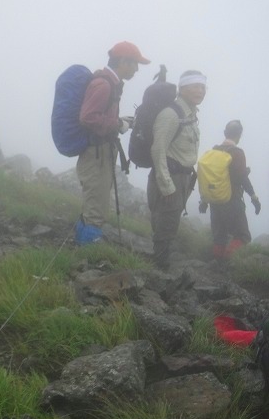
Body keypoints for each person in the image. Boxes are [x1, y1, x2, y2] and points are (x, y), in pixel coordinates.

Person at [75, 41, 150, 244]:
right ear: (123, 61)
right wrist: (117, 124)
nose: (136, 69)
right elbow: (88, 117)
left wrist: (119, 121)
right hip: (96, 152)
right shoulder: (104, 84)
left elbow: (97, 115)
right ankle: (88, 251)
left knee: (96, 199)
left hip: (100, 150)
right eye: (135, 64)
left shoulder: (110, 83)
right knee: (96, 203)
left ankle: (82, 243)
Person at [148, 70, 207, 268]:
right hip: (169, 177)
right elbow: (158, 150)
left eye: (203, 86)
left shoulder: (189, 114)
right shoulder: (171, 114)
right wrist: (166, 185)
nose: (201, 90)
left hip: (182, 177)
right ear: (182, 88)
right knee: (166, 225)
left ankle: (160, 264)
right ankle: (158, 270)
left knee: (170, 222)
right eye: (195, 86)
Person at [199, 120, 261, 260]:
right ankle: (227, 263)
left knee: (219, 237)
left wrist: (204, 200)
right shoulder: (237, 153)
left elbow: (206, 177)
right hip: (232, 200)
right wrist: (254, 197)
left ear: (225, 133)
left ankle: (216, 266)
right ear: (239, 135)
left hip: (214, 200)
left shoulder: (213, 150)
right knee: (243, 235)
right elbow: (242, 178)